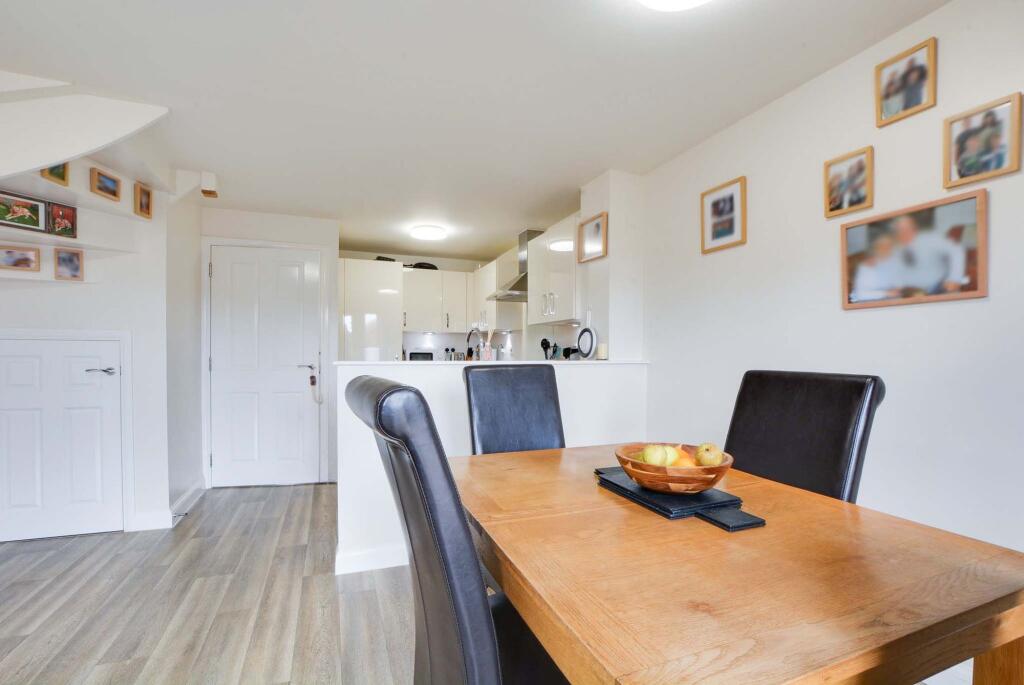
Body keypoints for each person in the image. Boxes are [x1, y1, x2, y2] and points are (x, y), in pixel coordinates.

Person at [893, 215, 967, 294]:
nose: (904, 233)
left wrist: (955, 278)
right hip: (912, 292)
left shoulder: (929, 240)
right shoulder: (897, 249)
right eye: (900, 230)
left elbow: (956, 250)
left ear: (914, 229)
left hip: (937, 288)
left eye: (907, 229)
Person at [851, 234, 902, 302]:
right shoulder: (866, 267)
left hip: (888, 300)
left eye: (889, 247)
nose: (886, 250)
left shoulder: (892, 264)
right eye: (882, 247)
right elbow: (861, 295)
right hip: (866, 302)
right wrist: (886, 293)